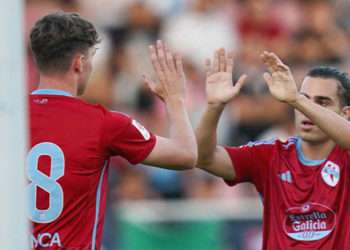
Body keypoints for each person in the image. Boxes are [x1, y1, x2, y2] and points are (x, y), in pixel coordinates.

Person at [28, 12, 197, 249]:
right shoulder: (103, 123)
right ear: (79, 63)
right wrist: (175, 100)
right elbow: (186, 155)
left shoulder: (10, 122)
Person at [196, 48, 350, 249]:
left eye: (322, 102)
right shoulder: (270, 155)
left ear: (346, 114)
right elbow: (203, 158)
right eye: (305, 98)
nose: (307, 111)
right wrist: (214, 107)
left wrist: (297, 99)